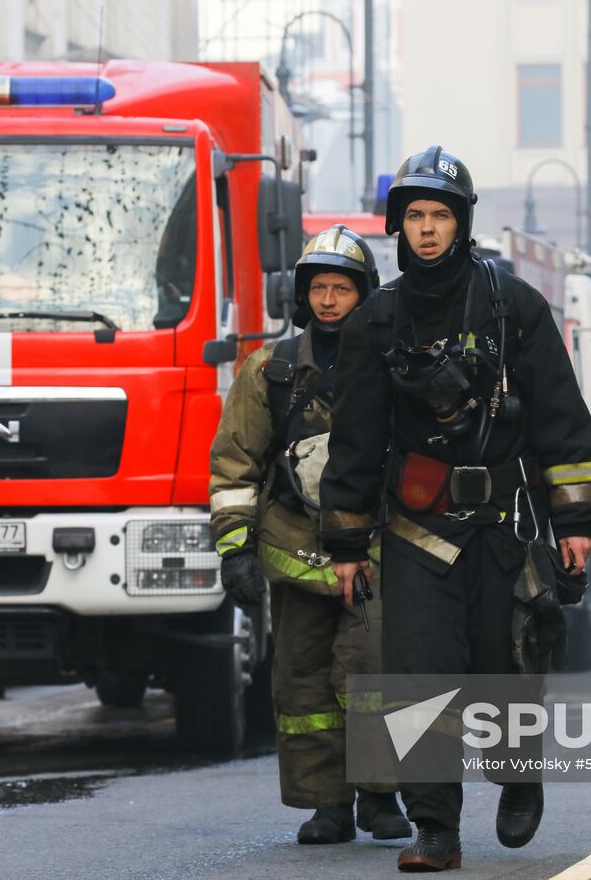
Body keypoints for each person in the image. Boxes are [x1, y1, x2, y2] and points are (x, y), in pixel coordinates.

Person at [319, 145, 591, 872]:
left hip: (503, 527)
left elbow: (562, 422)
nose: (427, 228)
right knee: (418, 676)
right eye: (414, 215)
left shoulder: (517, 308)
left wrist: (573, 524)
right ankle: (435, 826)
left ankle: (518, 775)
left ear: (462, 223)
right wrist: (347, 544)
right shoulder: (376, 322)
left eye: (440, 214)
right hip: (416, 529)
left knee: (502, 666)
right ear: (398, 225)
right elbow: (353, 443)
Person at [208, 225, 410, 845]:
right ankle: (326, 805)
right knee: (303, 684)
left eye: (341, 288)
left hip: (375, 552)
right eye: (318, 287)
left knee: (374, 675)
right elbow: (234, 462)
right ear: (303, 296)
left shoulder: (394, 363)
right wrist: (235, 548)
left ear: (363, 294)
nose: (328, 299)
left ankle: (381, 798)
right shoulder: (267, 371)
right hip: (293, 550)